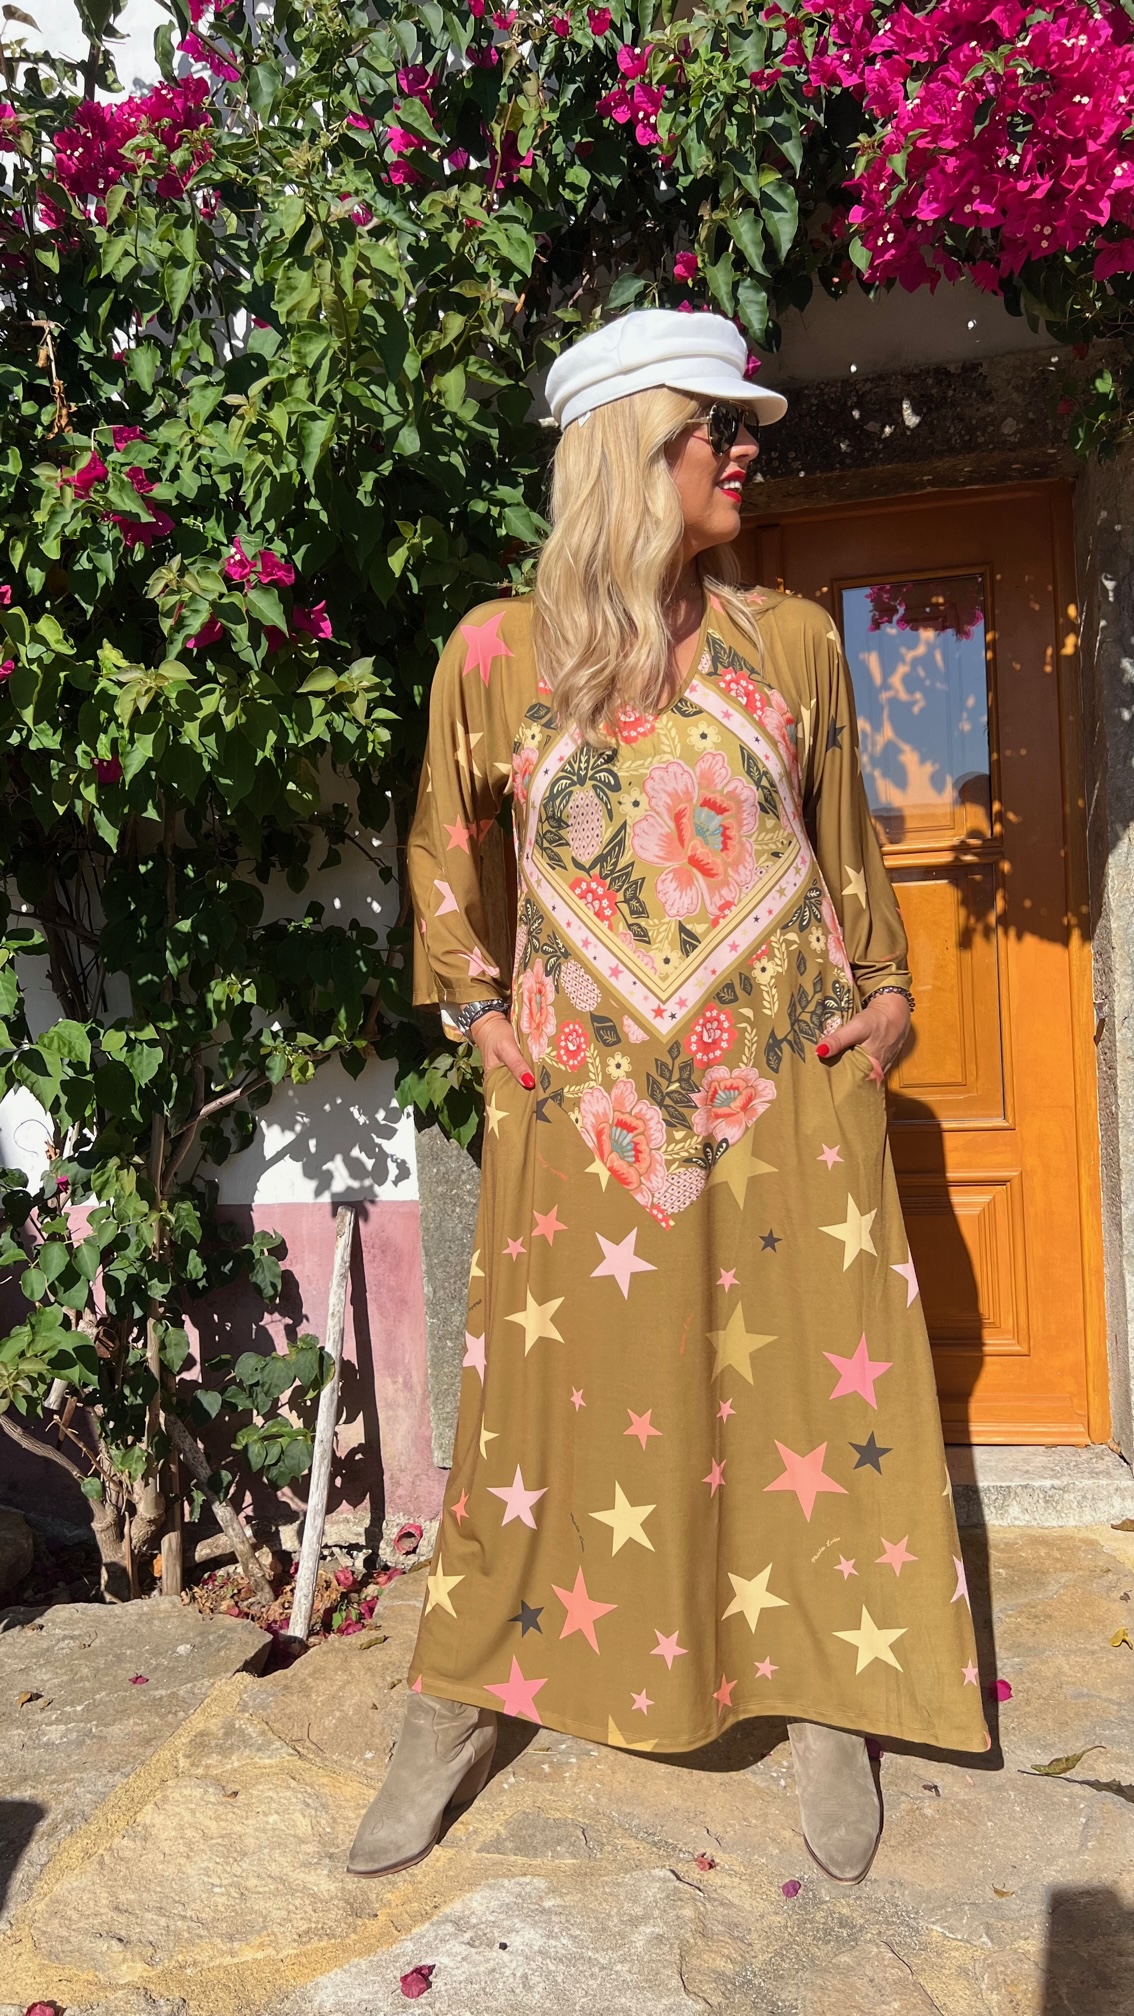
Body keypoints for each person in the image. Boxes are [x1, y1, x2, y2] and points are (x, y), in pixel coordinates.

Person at [347, 308, 989, 1888]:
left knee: (807, 1400)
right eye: (717, 423)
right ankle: (454, 1702)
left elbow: (843, 845)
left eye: (742, 424)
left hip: (785, 1092)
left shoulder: (791, 641)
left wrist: (887, 994)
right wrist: (480, 1013)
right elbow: (444, 848)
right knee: (535, 1412)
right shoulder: (496, 653)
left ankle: (827, 1690)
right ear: (633, 449)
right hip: (584, 1110)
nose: (745, 448)